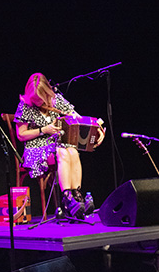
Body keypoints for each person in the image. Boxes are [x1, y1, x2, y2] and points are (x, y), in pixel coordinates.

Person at [14, 73, 105, 219]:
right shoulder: (25, 105)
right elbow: (21, 135)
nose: (37, 102)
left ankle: (77, 196)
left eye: (40, 99)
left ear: (47, 93)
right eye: (35, 99)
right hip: (36, 147)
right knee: (62, 152)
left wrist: (97, 128)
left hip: (57, 143)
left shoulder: (56, 100)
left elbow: (77, 118)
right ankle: (68, 198)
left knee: (73, 151)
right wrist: (43, 130)